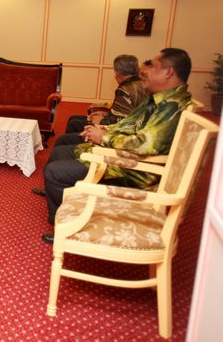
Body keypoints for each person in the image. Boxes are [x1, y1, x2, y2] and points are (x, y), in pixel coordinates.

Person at [39, 48, 193, 244]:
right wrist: (105, 130)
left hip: (132, 169)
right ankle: (63, 207)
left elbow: (147, 144)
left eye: (152, 66)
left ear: (168, 72)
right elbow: (130, 124)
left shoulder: (171, 106)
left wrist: (104, 138)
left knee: (54, 171)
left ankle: (66, 229)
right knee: (61, 152)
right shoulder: (160, 99)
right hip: (126, 156)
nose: (145, 72)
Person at [55, 54, 148, 146]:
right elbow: (127, 113)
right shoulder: (139, 84)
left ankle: (77, 150)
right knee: (73, 119)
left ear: (117, 72)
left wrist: (101, 121)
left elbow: (120, 123)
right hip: (133, 129)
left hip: (116, 136)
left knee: (65, 136)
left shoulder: (125, 90)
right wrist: (108, 113)